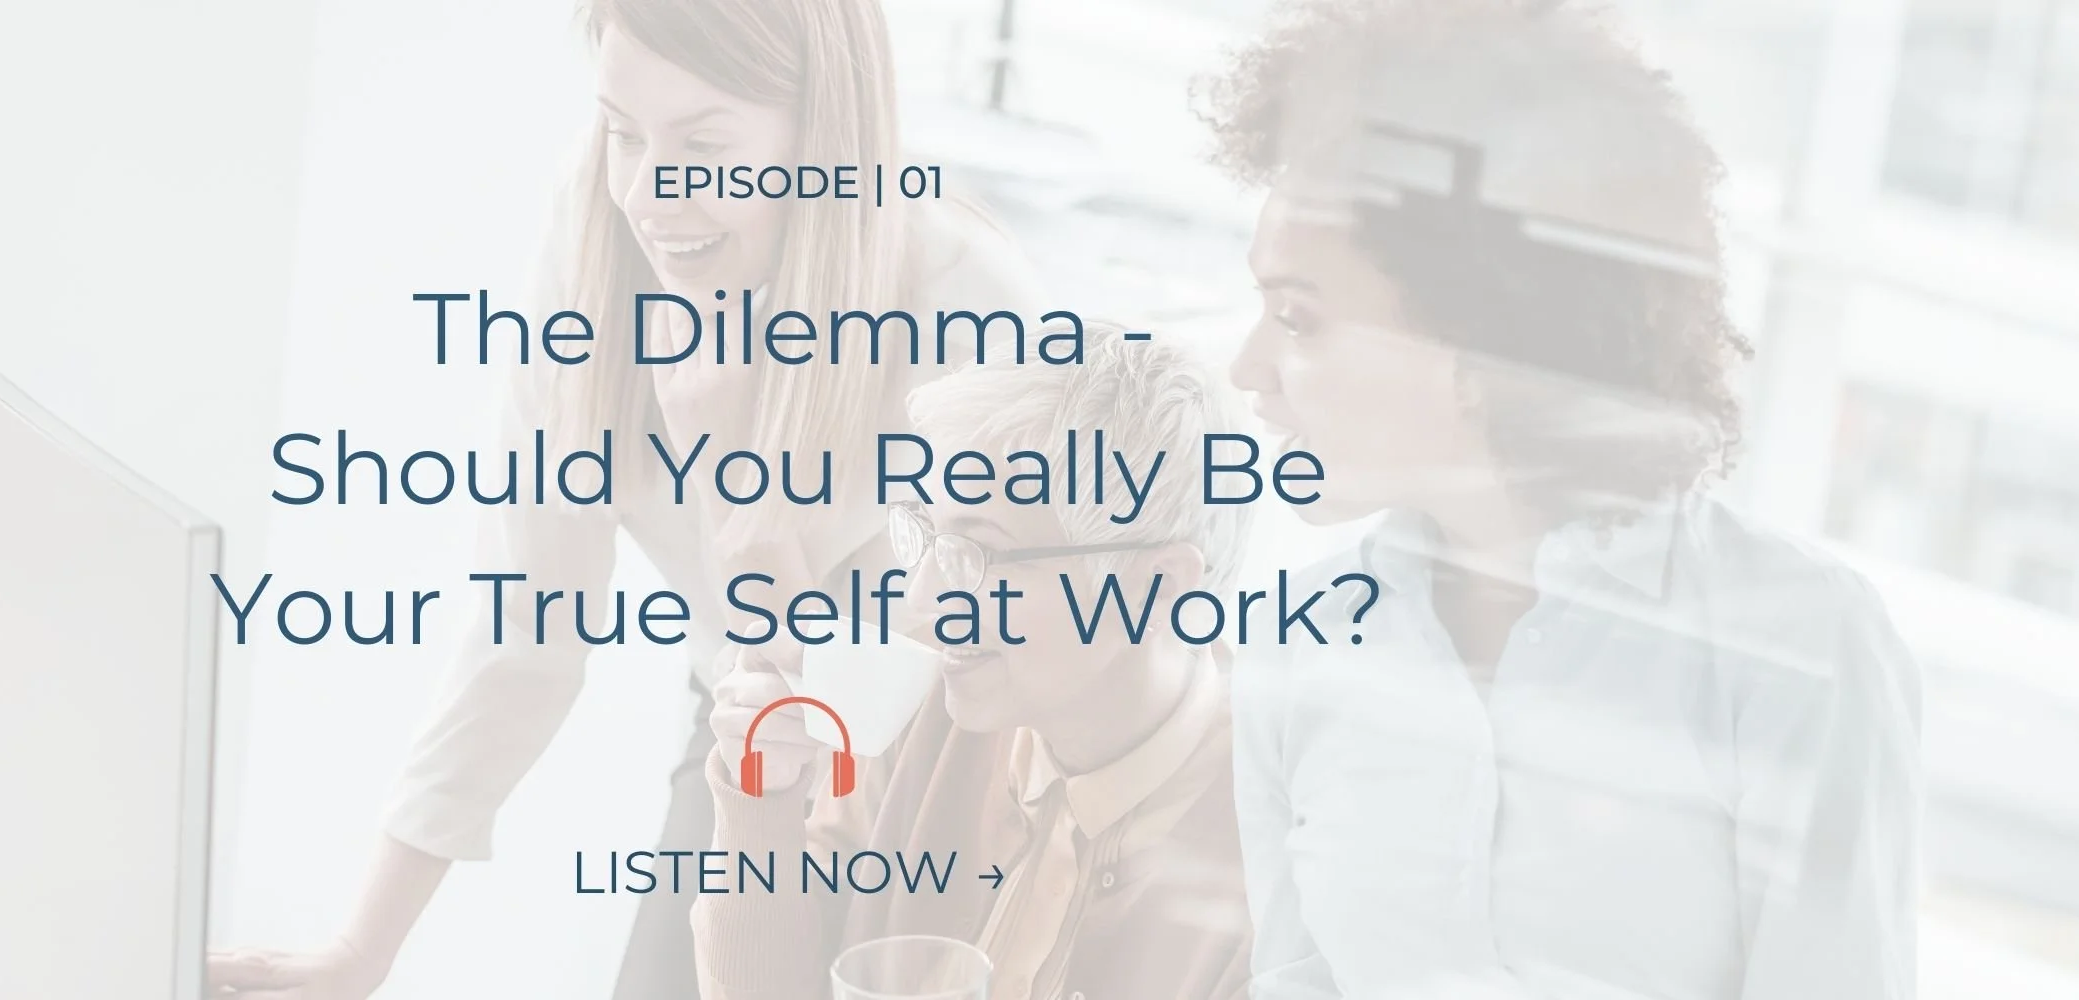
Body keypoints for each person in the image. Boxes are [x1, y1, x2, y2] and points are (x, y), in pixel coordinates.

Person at [206, 1, 1040, 997]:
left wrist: (740, 470)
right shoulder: (599, 244)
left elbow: (858, 698)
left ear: (824, 134)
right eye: (623, 131)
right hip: (742, 719)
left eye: (705, 144)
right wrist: (360, 951)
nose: (652, 194)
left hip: (937, 755)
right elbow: (526, 624)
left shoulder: (967, 303)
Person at [1201, 2, 1922, 998]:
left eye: (1297, 318)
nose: (1250, 368)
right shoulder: (1297, 648)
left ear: (1474, 334)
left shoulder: (1797, 647)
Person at [692, 329, 1256, 1000]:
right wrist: (763, 804)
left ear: (1156, 586)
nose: (922, 597)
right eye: (929, 537)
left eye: (982, 553)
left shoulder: (1274, 857)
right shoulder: (933, 710)